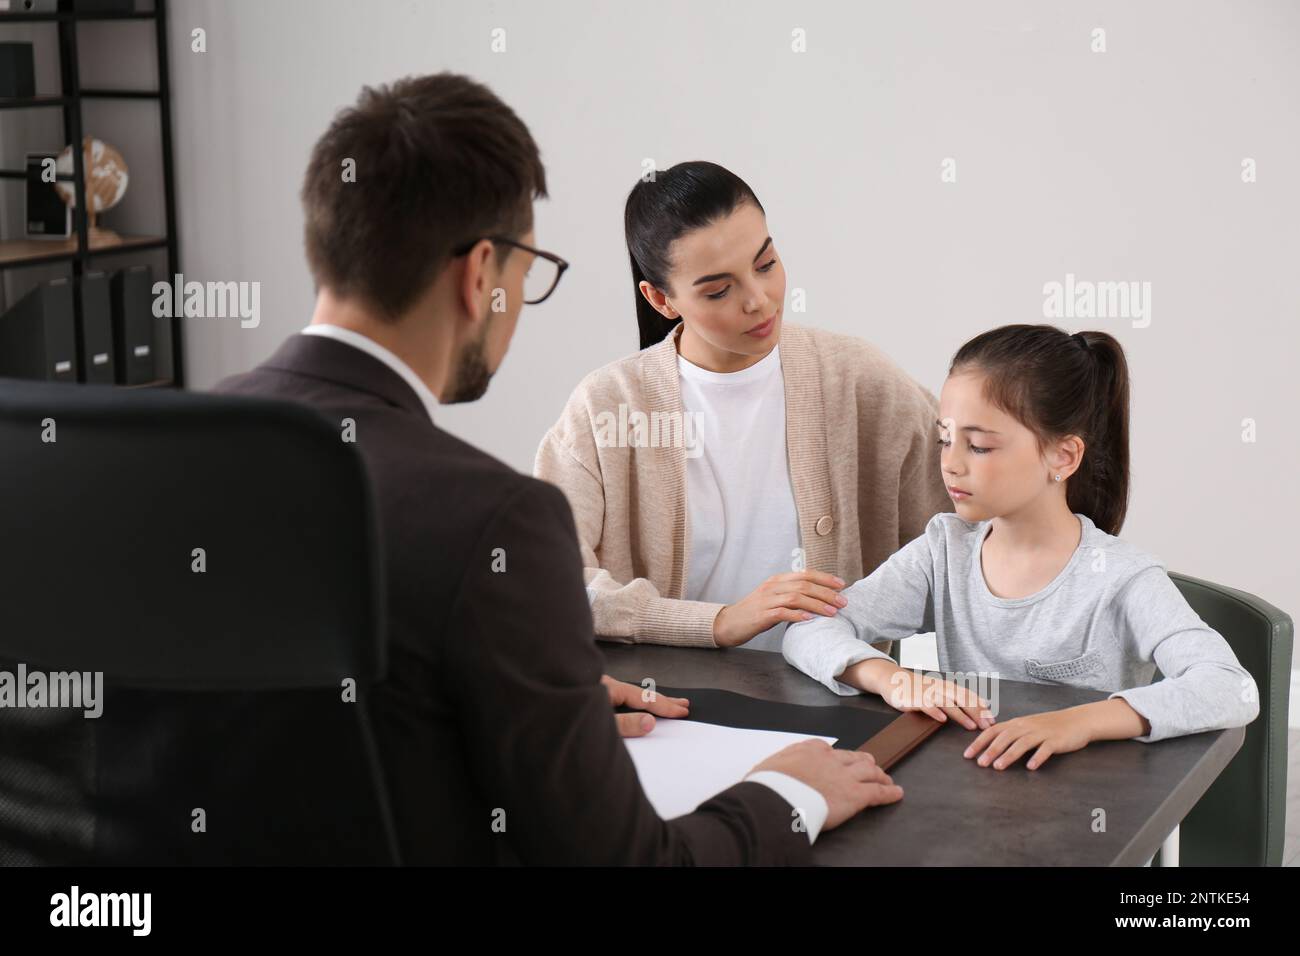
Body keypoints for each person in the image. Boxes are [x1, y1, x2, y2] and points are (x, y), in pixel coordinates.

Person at [213, 72, 902, 864]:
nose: (756, 300)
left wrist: (522, 705)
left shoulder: (155, 453)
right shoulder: (494, 513)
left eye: (767, 263)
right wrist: (789, 793)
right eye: (528, 276)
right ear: (482, 278)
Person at [782, 324, 1260, 768]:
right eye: (945, 440)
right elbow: (810, 630)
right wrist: (892, 679)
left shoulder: (1121, 577)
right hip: (974, 790)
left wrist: (1079, 721)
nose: (950, 464)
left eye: (980, 446)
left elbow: (1230, 687)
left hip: (1087, 811)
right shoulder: (943, 551)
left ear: (1063, 456)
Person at [535, 161, 952, 653]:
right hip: (669, 710)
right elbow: (545, 581)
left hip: (838, 704)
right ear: (661, 299)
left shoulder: (860, 379)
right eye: (718, 290)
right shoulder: (607, 408)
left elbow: (969, 543)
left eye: (766, 264)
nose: (759, 300)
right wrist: (717, 623)